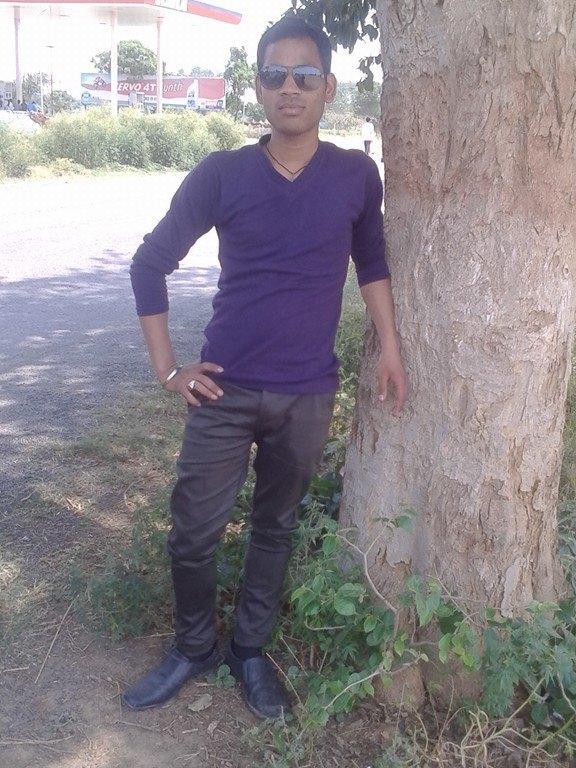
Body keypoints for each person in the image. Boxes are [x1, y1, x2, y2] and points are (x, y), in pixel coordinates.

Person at [123, 16, 407, 720]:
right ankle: (193, 648)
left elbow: (372, 263)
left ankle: (249, 652)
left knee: (275, 528)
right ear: (257, 87)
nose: (290, 89)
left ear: (328, 88)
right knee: (194, 531)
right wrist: (168, 370)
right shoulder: (222, 174)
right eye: (276, 76)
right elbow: (149, 264)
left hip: (306, 394)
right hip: (222, 389)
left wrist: (391, 346)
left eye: (304, 76)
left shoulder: (354, 175)